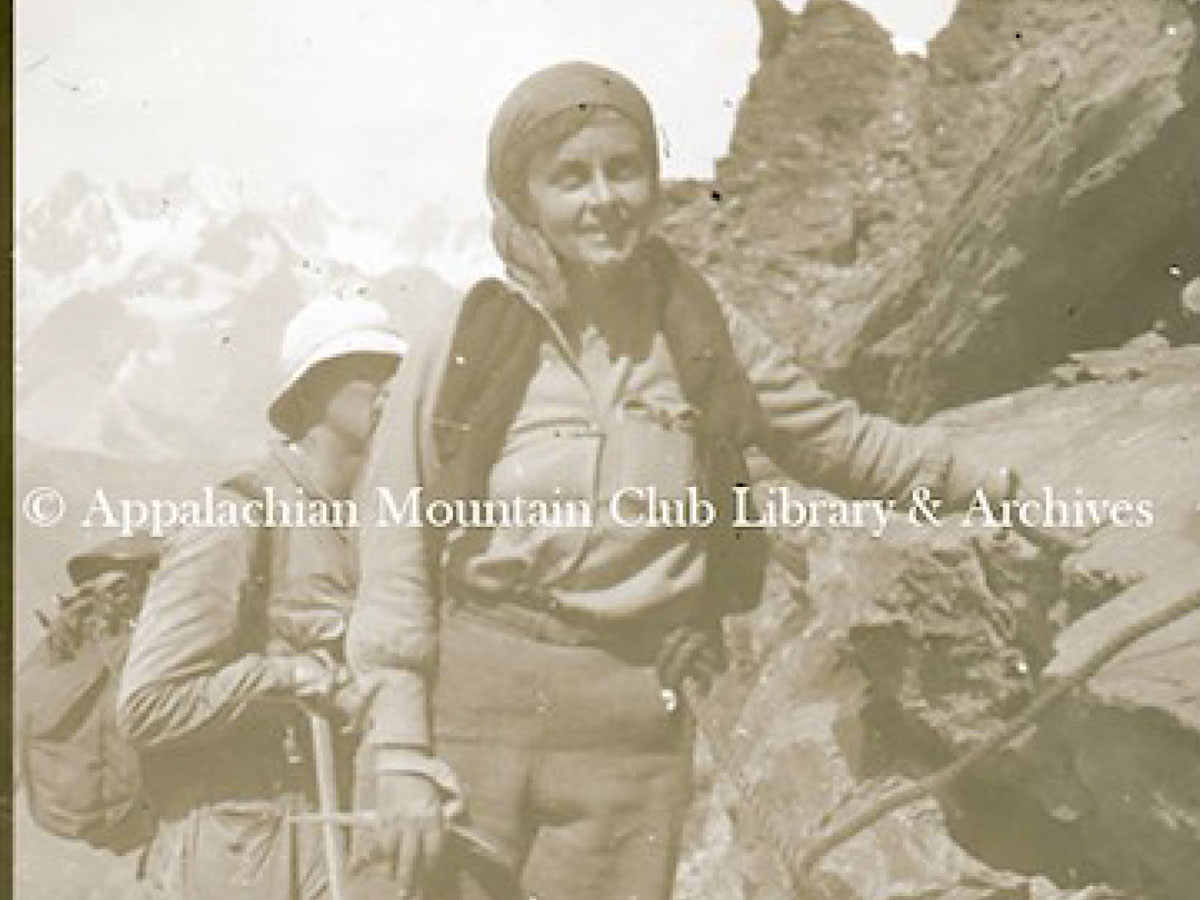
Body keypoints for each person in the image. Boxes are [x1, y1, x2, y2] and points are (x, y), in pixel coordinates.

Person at [346, 62, 1079, 900]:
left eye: (624, 170)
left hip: (629, 735)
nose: (603, 199)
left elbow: (838, 442)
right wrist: (401, 752)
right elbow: (395, 547)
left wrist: (1005, 492)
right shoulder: (468, 335)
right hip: (468, 713)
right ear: (523, 199)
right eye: (569, 178)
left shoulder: (702, 331)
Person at [117, 296, 406, 900]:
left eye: (394, 370)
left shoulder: (375, 521)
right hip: (236, 861)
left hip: (339, 847)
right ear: (305, 396)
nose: (388, 387)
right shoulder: (235, 518)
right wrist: (285, 678)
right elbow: (146, 707)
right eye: (362, 368)